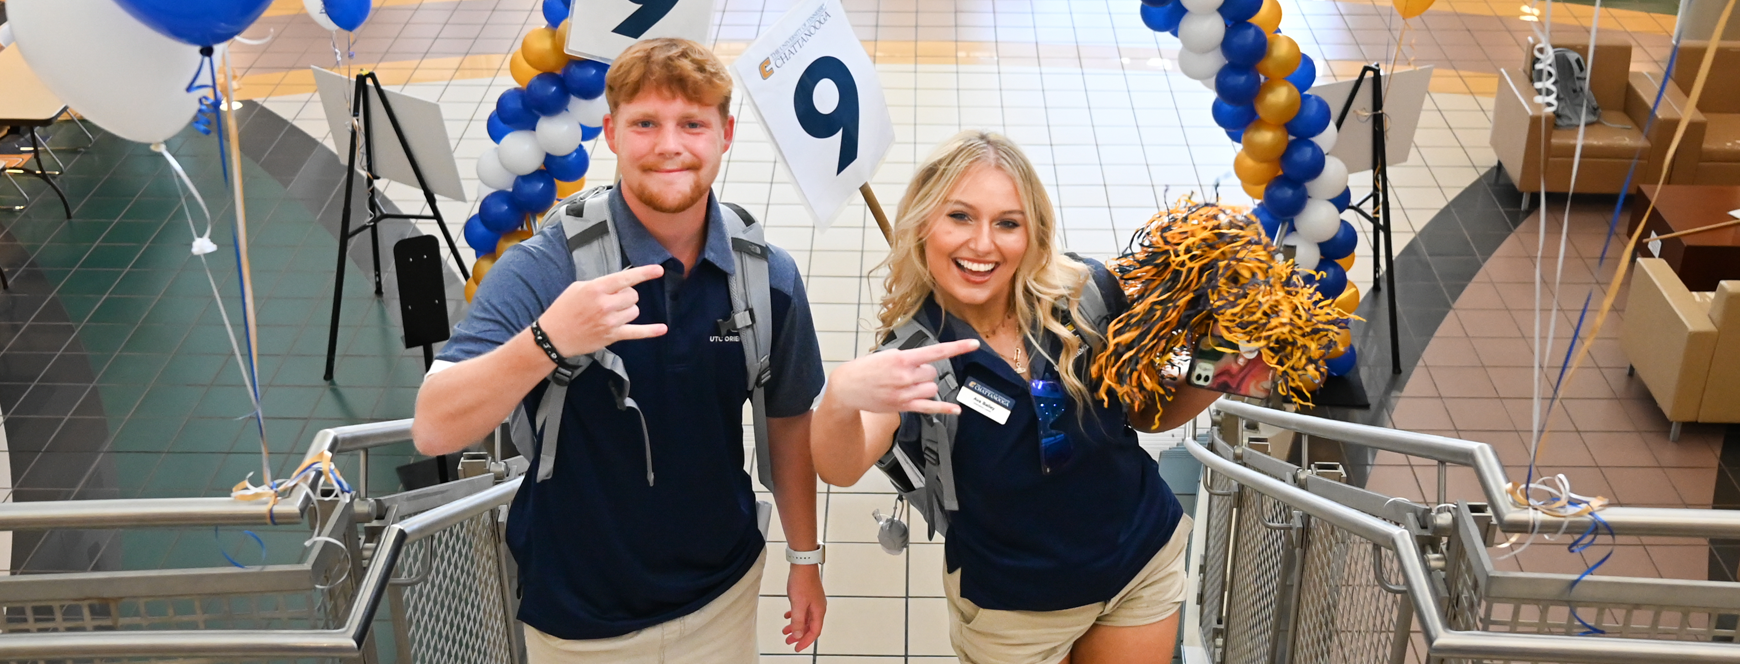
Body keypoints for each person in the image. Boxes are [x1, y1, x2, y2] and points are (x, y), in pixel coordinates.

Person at [414, 37, 828, 661]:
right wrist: (550, 341)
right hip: (580, 621)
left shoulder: (765, 277)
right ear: (610, 133)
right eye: (645, 124)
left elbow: (789, 420)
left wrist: (804, 557)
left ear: (725, 134)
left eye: (692, 123)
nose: (669, 145)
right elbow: (433, 426)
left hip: (724, 591)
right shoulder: (546, 270)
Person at [810, 131, 1223, 664]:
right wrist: (840, 396)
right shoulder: (914, 358)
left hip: (1141, 564)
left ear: (1033, 233)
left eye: (1007, 223)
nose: (982, 244)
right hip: (1014, 612)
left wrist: (1221, 359)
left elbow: (1148, 414)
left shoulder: (1085, 295)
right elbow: (838, 466)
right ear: (922, 225)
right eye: (959, 217)